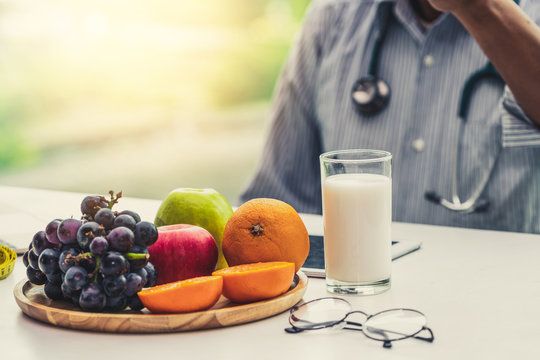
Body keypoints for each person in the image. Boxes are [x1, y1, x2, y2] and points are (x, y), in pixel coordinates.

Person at [239, 0, 540, 233]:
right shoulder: (332, 17)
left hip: (501, 306)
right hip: (354, 307)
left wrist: (481, 8)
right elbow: (276, 205)